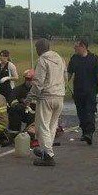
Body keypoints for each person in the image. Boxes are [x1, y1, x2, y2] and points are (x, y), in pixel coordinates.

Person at [27, 38, 66, 166]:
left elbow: (38, 82)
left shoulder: (42, 60)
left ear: (39, 49)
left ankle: (48, 155)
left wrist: (29, 98)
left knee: (42, 126)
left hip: (46, 97)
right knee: (52, 126)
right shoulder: (60, 59)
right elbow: (65, 77)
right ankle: (46, 150)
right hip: (59, 96)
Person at [67, 39, 98, 146]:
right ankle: (84, 132)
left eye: (76, 46)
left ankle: (89, 133)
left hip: (90, 90)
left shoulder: (94, 58)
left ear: (83, 46)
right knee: (81, 113)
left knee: (90, 111)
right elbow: (69, 73)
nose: (75, 48)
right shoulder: (74, 59)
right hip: (78, 90)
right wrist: (63, 83)